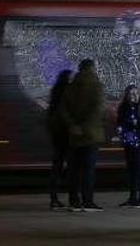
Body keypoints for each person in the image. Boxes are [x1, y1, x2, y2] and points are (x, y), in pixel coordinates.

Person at [60, 59, 106, 212]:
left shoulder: (70, 87)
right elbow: (98, 110)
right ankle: (88, 201)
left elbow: (63, 109)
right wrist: (84, 127)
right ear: (93, 68)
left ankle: (74, 201)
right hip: (90, 135)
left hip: (74, 136)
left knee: (74, 171)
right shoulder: (97, 86)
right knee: (88, 170)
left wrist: (73, 125)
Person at [117, 84, 140, 209]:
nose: (134, 96)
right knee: (131, 171)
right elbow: (120, 124)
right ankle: (132, 197)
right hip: (129, 143)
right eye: (131, 94)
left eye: (136, 93)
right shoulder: (123, 108)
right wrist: (124, 135)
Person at [47, 69, 73, 210]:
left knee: (57, 166)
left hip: (57, 135)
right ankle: (71, 198)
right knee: (71, 166)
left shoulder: (55, 93)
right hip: (66, 135)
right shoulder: (68, 93)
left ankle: (54, 198)